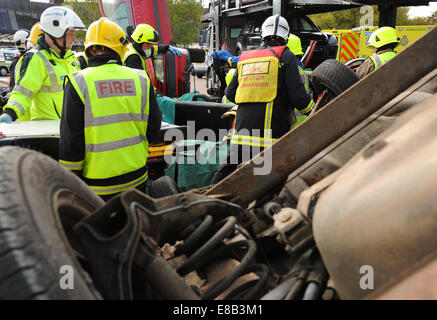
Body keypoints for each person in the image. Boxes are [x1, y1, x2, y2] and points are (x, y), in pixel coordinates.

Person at [59, 17, 162, 201]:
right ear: (120, 46)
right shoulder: (141, 79)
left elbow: (71, 141)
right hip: (137, 178)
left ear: (89, 48)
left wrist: (71, 183)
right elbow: (154, 126)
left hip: (98, 187)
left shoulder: (77, 81)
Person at [211, 14, 315, 184]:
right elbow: (299, 98)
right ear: (286, 37)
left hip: (242, 134)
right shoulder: (285, 56)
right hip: (271, 138)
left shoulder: (245, 57)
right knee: (270, 183)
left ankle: (206, 202)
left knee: (224, 177)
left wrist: (252, 97)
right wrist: (313, 111)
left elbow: (230, 94)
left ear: (262, 36)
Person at [0, 6, 84, 123]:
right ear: (56, 32)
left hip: (69, 130)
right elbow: (23, 92)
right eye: (70, 33)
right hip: (46, 133)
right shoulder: (37, 59)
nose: (74, 38)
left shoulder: (72, 59)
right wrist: (10, 113)